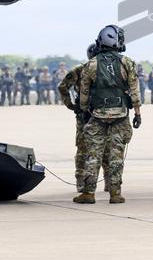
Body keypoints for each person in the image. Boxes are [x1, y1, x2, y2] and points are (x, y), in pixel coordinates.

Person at [74, 26, 142, 204]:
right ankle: (115, 193)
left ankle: (88, 193)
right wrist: (137, 113)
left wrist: (84, 111)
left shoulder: (92, 64)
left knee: (93, 154)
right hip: (120, 115)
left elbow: (84, 92)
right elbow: (134, 91)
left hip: (97, 115)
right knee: (116, 155)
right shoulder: (127, 63)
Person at [58, 43, 111, 193]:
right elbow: (62, 86)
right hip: (98, 116)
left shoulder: (80, 70)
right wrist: (71, 105)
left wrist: (71, 105)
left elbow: (62, 87)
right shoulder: (106, 70)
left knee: (84, 149)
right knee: (103, 148)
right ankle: (109, 183)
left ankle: (82, 183)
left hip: (89, 115)